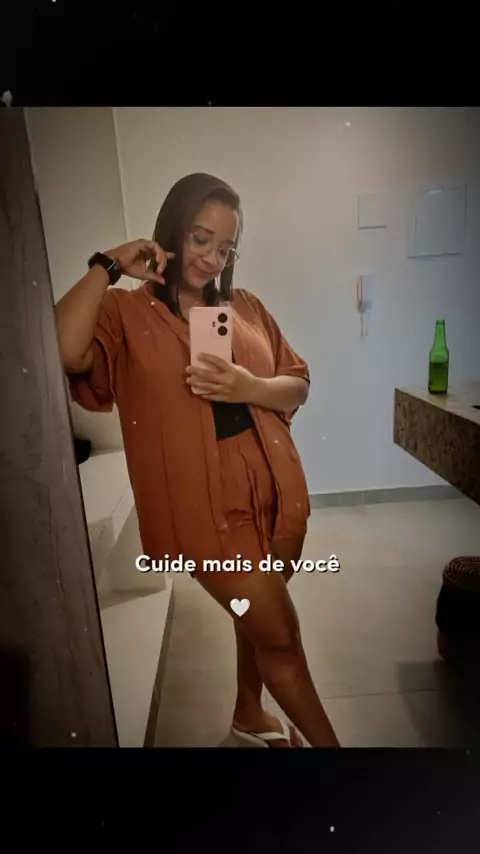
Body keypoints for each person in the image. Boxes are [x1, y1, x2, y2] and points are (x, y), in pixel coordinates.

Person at [56, 172, 340, 748]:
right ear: (172, 231)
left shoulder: (245, 307)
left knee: (254, 616)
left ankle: (248, 714)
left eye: (225, 247)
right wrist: (109, 263)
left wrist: (246, 386)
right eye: (199, 238)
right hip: (204, 511)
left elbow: (298, 383)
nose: (212, 258)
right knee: (280, 636)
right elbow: (65, 347)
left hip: (274, 496)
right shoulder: (125, 313)